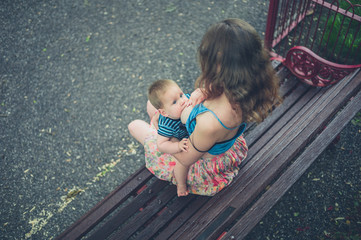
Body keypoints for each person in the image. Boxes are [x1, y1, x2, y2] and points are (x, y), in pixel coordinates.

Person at [128, 18, 280, 196]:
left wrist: (165, 135)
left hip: (199, 161)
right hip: (217, 142)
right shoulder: (245, 87)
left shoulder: (210, 123)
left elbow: (185, 159)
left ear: (217, 65)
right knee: (152, 105)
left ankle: (179, 183)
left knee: (135, 125)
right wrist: (205, 92)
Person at [147, 79, 194, 196]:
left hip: (194, 135)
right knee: (182, 164)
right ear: (164, 113)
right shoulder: (167, 124)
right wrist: (177, 146)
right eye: (174, 102)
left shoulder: (187, 101)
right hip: (180, 140)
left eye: (181, 95)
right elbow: (162, 144)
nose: (182, 101)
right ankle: (181, 185)